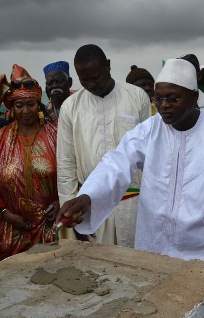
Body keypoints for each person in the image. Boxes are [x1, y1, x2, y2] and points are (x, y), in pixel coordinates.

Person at [57, 57, 204, 273]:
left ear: (194, 97)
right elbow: (116, 164)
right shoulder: (149, 130)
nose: (164, 106)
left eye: (173, 98)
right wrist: (88, 196)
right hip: (154, 245)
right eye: (158, 99)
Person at [57, 44, 151, 245]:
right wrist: (72, 214)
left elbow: (150, 156)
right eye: (84, 80)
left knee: (137, 267)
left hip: (134, 206)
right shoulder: (70, 107)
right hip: (89, 207)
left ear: (108, 66)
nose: (90, 84)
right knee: (97, 271)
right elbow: (66, 163)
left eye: (95, 77)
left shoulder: (137, 97)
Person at [0, 64, 59, 260]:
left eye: (31, 104)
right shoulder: (1, 139)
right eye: (19, 105)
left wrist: (62, 202)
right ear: (12, 108)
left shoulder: (55, 135)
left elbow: (70, 173)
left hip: (50, 231)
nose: (26, 111)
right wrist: (5, 213)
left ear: (38, 103)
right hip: (9, 232)